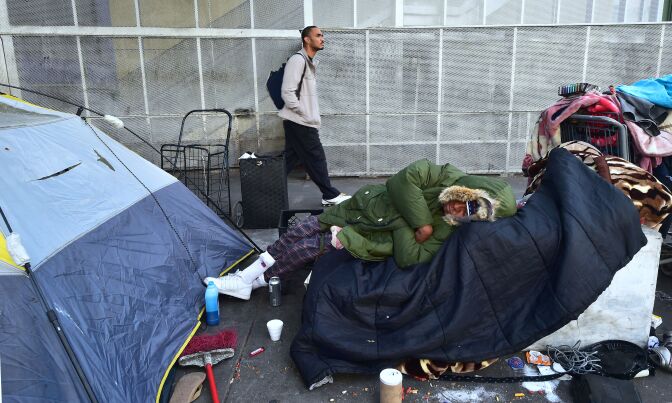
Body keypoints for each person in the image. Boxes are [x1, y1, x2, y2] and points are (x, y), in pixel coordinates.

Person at [205, 158, 517, 300]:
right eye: (466, 202)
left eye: (469, 214)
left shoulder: (448, 230)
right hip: (362, 207)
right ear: (469, 191)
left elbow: (411, 257)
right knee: (298, 232)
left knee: (303, 249)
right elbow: (403, 178)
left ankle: (259, 282)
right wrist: (419, 222)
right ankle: (245, 278)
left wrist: (402, 223)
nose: (458, 210)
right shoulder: (447, 176)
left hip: (367, 236)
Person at [279, 25, 350, 207]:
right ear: (306, 39)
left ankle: (265, 190)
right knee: (316, 157)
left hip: (298, 121)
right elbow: (287, 92)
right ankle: (329, 194)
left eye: (322, 35)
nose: (322, 38)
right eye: (318, 35)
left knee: (287, 160)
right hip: (300, 121)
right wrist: (305, 113)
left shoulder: (308, 62)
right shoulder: (298, 60)